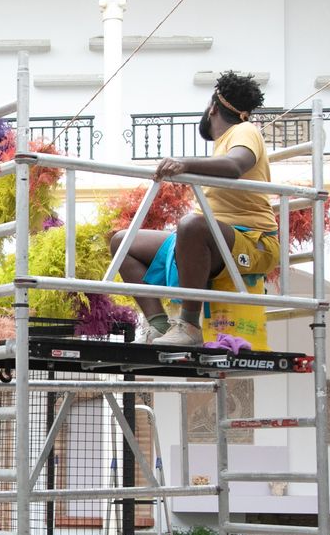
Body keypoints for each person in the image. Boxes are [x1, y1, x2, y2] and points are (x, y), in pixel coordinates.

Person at [109, 71, 280, 346]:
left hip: (252, 241)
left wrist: (184, 163)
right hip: (215, 239)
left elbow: (235, 165)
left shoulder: (245, 130)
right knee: (123, 242)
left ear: (213, 107)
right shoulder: (225, 142)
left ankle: (188, 326)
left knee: (191, 224)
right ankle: (159, 326)